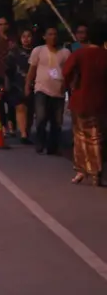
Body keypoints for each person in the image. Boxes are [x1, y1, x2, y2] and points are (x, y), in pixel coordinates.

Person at [62, 23, 107, 185]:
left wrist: (71, 85)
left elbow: (66, 72)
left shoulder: (79, 54)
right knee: (97, 136)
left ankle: (83, 169)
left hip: (80, 99)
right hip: (101, 102)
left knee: (80, 136)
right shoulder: (104, 55)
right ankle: (95, 171)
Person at [25, 25, 70, 156]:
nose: (53, 37)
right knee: (41, 117)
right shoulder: (38, 51)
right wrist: (28, 85)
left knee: (56, 121)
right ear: (44, 37)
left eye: (55, 34)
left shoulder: (65, 53)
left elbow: (68, 72)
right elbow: (32, 70)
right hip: (41, 89)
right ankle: (40, 142)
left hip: (59, 91)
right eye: (50, 34)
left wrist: (68, 87)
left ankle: (53, 146)